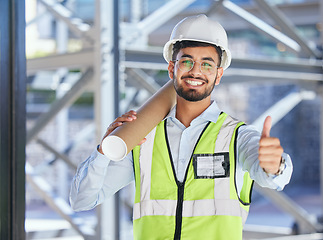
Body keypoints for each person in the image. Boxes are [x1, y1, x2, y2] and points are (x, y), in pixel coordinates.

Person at [70, 14, 293, 240]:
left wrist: (276, 165)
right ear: (171, 69)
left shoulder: (237, 137)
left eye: (207, 64)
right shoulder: (143, 140)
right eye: (186, 61)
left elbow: (272, 177)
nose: (196, 71)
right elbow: (82, 200)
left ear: (218, 75)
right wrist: (102, 151)